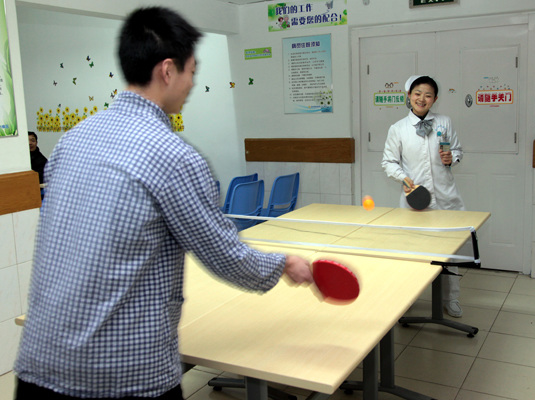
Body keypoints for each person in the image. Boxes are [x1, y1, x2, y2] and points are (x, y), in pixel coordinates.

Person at [14, 7, 313, 400]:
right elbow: (225, 256)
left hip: (38, 364)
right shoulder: (174, 157)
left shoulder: (74, 139)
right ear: (168, 71)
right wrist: (284, 264)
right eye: (192, 70)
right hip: (122, 377)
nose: (192, 83)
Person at [381, 75, 465, 318]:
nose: (422, 98)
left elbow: (457, 149)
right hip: (414, 201)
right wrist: (403, 178)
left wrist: (453, 158)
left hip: (446, 197)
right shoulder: (397, 129)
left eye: (428, 95)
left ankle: (451, 299)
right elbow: (388, 162)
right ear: (409, 96)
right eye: (417, 93)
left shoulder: (445, 122)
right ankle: (406, 298)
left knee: (451, 251)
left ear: (435, 99)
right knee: (411, 252)